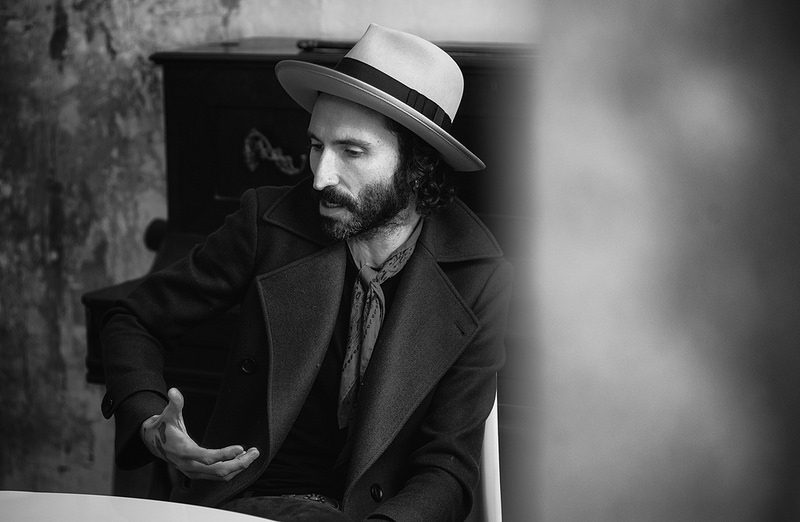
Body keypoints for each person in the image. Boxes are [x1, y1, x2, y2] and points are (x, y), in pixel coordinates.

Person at [100, 23, 512, 522]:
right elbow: (132, 319)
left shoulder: (478, 276)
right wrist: (153, 426)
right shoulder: (267, 222)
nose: (320, 177)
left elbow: (447, 468)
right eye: (317, 145)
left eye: (352, 151)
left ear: (416, 165)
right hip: (246, 504)